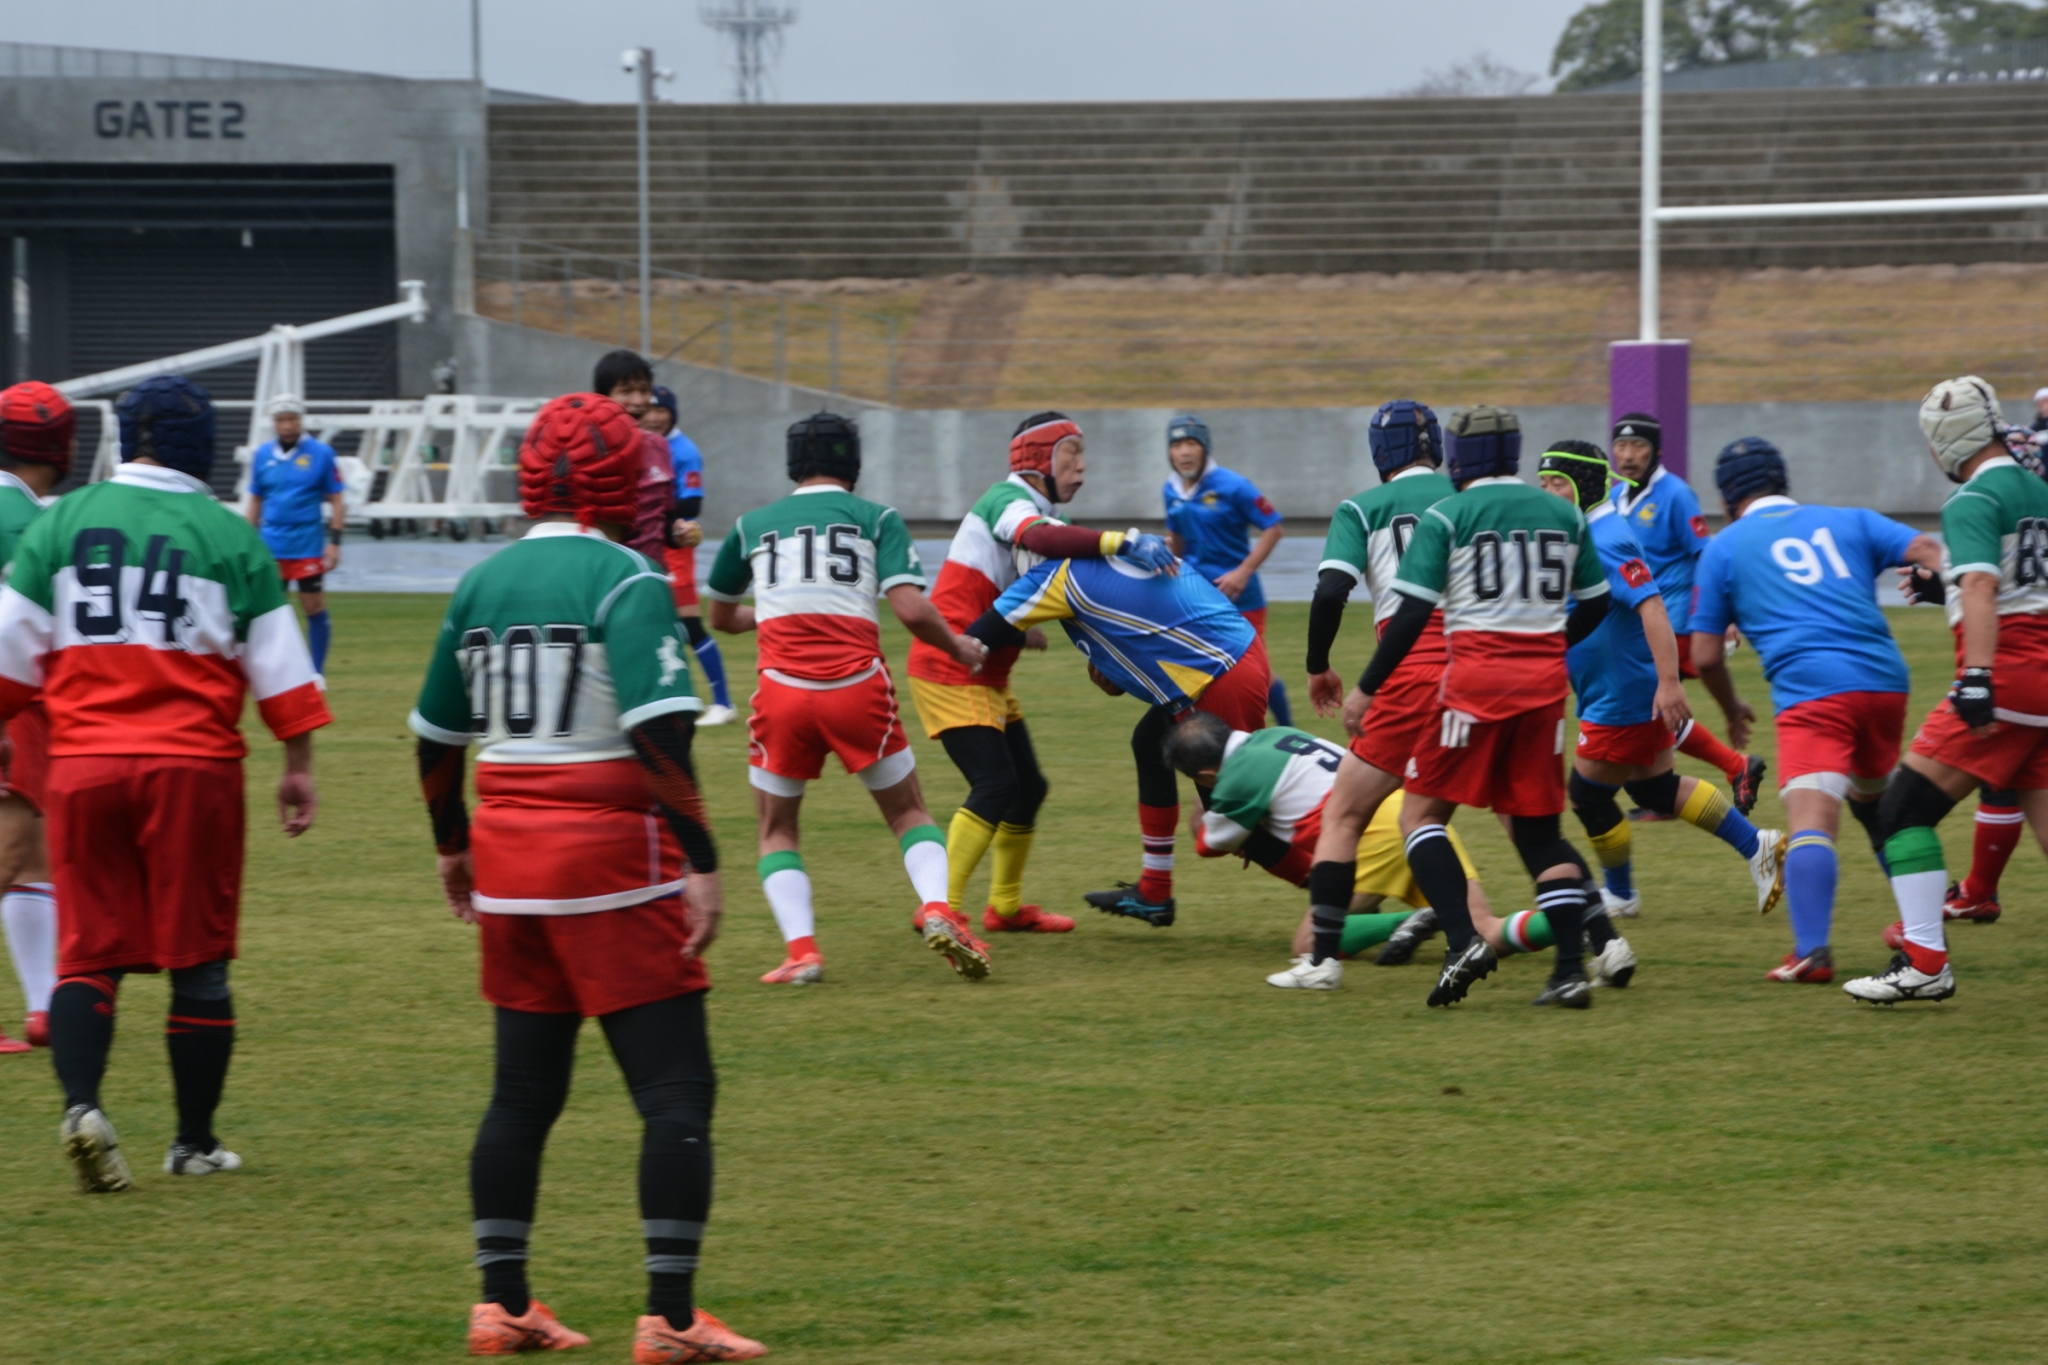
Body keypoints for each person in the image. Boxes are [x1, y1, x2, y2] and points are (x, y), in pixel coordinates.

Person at [408, 391, 763, 1362]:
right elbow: (659, 737)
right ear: (622, 483)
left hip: (508, 863)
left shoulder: (480, 581)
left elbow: (436, 738)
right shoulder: (628, 577)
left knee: (520, 1095)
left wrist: (451, 845)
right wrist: (702, 863)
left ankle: (501, 1304)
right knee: (676, 1090)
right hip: (611, 864)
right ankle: (671, 1319)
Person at [0, 375, 329, 1191]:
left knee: (89, 952)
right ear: (204, 447)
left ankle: (83, 1106)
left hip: (82, 766)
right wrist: (297, 766)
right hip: (192, 768)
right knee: (200, 961)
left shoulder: (62, 521)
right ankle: (192, 1142)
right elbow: (283, 672)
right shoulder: (227, 535)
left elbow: (8, 654)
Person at [705, 412, 994, 984]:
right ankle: (938, 907)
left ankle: (802, 953)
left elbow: (720, 617)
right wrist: (958, 647)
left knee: (777, 830)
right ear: (853, 464)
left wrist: (781, 610)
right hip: (856, 688)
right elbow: (911, 609)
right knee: (908, 812)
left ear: (793, 463)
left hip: (782, 694)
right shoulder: (876, 518)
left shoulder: (750, 525)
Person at [1341, 405, 1614, 1009]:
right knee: (1540, 834)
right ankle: (1570, 973)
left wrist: (1366, 686)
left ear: (1460, 455)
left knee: (1420, 816)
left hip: (1473, 690)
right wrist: (1553, 642)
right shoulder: (1566, 514)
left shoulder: (1449, 514)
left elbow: (1411, 614)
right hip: (1545, 694)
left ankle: (1464, 939)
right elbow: (1597, 602)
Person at [1687, 438, 1942, 986]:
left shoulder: (1725, 548)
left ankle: (1811, 952)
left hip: (1813, 690)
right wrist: (1950, 586)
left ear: (1727, 498)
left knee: (1811, 818)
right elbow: (1925, 546)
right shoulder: (1848, 519)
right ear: (1783, 482)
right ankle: (1920, 928)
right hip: (1885, 682)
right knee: (1879, 806)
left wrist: (1731, 708)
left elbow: (1704, 655)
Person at [908, 412, 1163, 936]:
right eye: (1072, 454)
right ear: (1037, 459)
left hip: (984, 673)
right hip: (950, 668)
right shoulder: (1009, 501)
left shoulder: (1043, 514)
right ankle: (939, 909)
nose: (1082, 468)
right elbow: (1042, 542)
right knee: (996, 784)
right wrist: (1122, 540)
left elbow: (1064, 583)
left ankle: (1003, 908)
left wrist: (1104, 652)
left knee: (1028, 788)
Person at [1160, 712, 1638, 991]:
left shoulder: (1235, 778)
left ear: (1205, 775)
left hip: (1366, 835)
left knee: (1308, 943)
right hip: (1412, 816)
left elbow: (1212, 843)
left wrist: (1200, 816)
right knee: (1486, 933)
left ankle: (1406, 922)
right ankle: (1577, 926)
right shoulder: (1272, 735)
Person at [1848, 377, 2048, 1004]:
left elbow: (1987, 589)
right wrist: (1952, 590)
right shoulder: (2039, 489)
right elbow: (2019, 585)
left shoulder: (1972, 498)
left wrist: (1978, 677)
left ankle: (1925, 962)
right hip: (2043, 681)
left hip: (2009, 678)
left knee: (1901, 812)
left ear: (1945, 440)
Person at [957, 534, 1267, 927]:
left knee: (1236, 825)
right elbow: (1149, 626)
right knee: (1150, 744)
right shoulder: (1104, 556)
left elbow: (977, 636)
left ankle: (1330, 893)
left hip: (1218, 677)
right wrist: (1114, 671)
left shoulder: (1050, 575)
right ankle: (1154, 890)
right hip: (1231, 659)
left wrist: (939, 641)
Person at [1537, 440, 1787, 923]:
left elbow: (1651, 605)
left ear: (1583, 485)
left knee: (1588, 796)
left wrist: (1669, 683)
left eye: (1556, 484)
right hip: (1618, 685)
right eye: (1543, 482)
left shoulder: (1606, 538)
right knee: (1654, 790)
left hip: (1621, 692)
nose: (1546, 492)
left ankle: (1620, 893)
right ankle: (1757, 845)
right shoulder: (1585, 529)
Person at [1288, 400, 1457, 992]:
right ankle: (1594, 937)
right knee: (1523, 823)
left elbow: (1331, 589)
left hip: (1409, 674)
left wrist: (1318, 665)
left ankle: (1321, 962)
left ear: (1380, 451)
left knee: (1345, 814)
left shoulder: (1362, 507)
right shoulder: (1470, 497)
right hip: (1483, 672)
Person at [1607, 412, 1766, 812]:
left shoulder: (1676, 495)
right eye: (1621, 445)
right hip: (1633, 624)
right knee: (1648, 708)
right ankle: (1667, 790)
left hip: (1671, 619)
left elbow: (1705, 555)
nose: (1628, 455)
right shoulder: (1614, 497)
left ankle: (1731, 767)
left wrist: (1725, 614)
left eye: (1638, 446)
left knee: (1651, 703)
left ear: (1657, 451)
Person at [0, 381, 72, 1056]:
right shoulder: (37, 527)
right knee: (10, 846)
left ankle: (43, 1003)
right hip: (14, 699)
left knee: (34, 854)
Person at [1161, 412, 1291, 724]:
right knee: (1199, 671)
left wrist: (1243, 572)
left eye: (1192, 444)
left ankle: (1289, 731)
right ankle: (1208, 735)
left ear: (1205, 448)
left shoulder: (1235, 486)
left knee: (1258, 673)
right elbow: (1177, 539)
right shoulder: (1170, 490)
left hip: (1240, 599)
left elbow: (1273, 528)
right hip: (1196, 598)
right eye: (1177, 446)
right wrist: (1167, 574)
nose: (1185, 452)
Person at [643, 384, 737, 727]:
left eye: (662, 411)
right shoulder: (640, 444)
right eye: (650, 410)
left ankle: (723, 703)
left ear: (673, 414)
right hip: (646, 544)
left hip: (673, 548)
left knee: (690, 624)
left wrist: (652, 514)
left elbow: (692, 505)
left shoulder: (684, 450)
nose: (655, 418)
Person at [244, 394, 344, 676]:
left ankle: (316, 672)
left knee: (313, 606)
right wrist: (246, 538)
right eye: (281, 420)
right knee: (272, 611)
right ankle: (277, 670)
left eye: (291, 419)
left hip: (307, 543)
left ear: (300, 420)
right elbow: (256, 499)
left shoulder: (322, 454)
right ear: (274, 423)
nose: (286, 426)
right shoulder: (262, 455)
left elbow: (337, 499)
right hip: (271, 544)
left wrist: (335, 542)